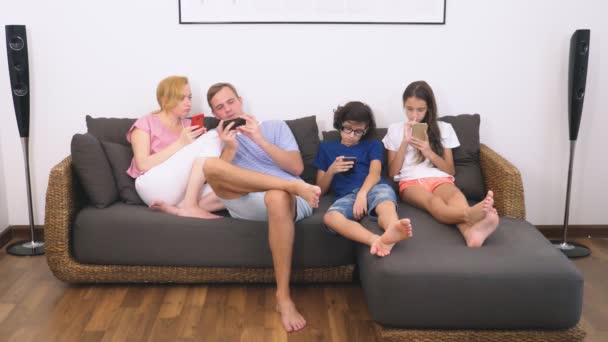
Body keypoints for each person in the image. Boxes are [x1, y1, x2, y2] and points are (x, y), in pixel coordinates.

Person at [200, 82, 321, 333]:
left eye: (230, 102)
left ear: (240, 101)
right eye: (220, 107)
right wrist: (230, 148)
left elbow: (297, 169)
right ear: (216, 114)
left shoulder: (274, 127)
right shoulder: (219, 140)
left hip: (287, 202)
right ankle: (291, 186)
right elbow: (219, 178)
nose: (228, 110)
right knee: (211, 166)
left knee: (276, 196)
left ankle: (284, 298)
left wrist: (259, 139)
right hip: (246, 201)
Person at [383, 81, 499, 247]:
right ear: (403, 106)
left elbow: (450, 170)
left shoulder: (444, 128)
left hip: (439, 178)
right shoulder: (395, 129)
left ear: (429, 108)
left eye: (420, 110)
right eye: (409, 109)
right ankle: (469, 214)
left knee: (455, 196)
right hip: (410, 182)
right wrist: (404, 142)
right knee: (433, 202)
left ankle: (470, 234)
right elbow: (392, 173)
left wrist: (428, 151)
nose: (414, 115)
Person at [313, 101, 412, 257]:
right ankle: (375, 240)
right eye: (347, 129)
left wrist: (362, 194)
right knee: (330, 217)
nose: (351, 135)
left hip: (373, 186)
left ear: (366, 130)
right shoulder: (326, 148)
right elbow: (321, 189)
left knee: (385, 203)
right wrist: (331, 170)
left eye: (358, 131)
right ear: (339, 124)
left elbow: (375, 173)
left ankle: (393, 228)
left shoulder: (372, 145)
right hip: (347, 196)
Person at [127, 75, 224, 219]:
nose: (188, 103)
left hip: (180, 190)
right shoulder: (145, 123)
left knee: (235, 190)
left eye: (189, 97)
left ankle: (178, 209)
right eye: (181, 98)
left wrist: (199, 144)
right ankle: (190, 206)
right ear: (165, 99)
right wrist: (181, 143)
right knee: (214, 135)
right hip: (153, 185)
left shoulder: (189, 126)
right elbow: (142, 165)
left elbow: (197, 166)